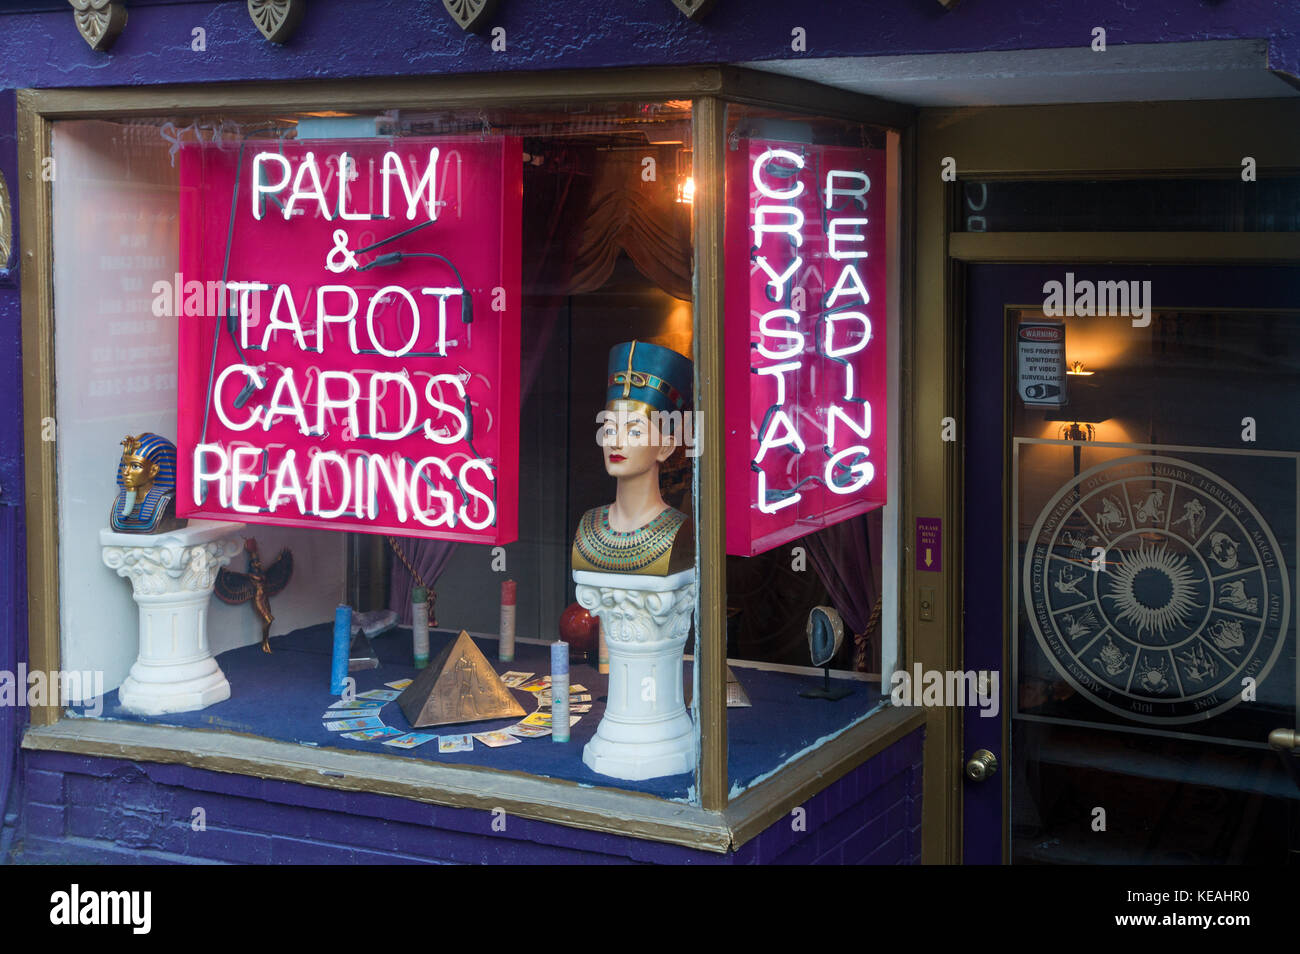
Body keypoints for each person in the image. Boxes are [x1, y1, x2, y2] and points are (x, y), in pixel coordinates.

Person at [571, 340, 694, 576]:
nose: (616, 442)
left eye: (634, 431)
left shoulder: (679, 532)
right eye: (609, 430)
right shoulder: (588, 525)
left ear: (665, 448)